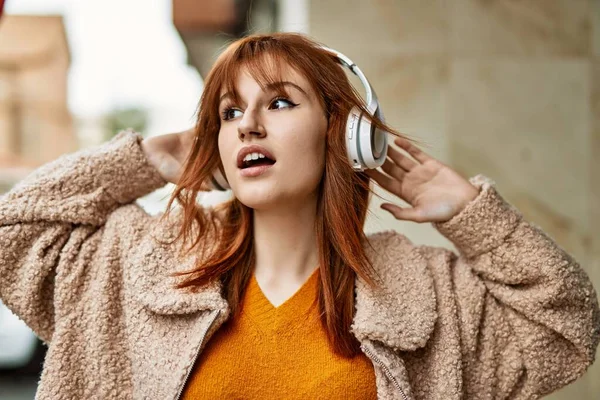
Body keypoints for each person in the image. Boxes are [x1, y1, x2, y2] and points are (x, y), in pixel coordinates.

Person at [0, 32, 598, 400]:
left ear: (346, 135)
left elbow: (566, 330)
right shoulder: (142, 261)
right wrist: (156, 157)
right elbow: (14, 232)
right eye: (231, 112)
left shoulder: (429, 292)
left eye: (280, 102)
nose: (249, 125)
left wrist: (471, 215)